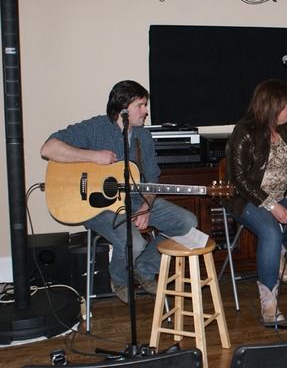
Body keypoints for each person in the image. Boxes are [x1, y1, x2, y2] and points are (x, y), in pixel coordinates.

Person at [40, 80, 198, 303]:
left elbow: (152, 178)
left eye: (145, 105)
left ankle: (144, 268)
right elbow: (48, 148)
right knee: (135, 242)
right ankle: (119, 279)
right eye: (140, 105)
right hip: (96, 207)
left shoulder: (143, 137)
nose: (146, 111)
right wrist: (93, 156)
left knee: (187, 223)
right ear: (123, 109)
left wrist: (146, 207)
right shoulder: (95, 128)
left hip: (135, 199)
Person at [224, 79, 287, 326]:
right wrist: (271, 205)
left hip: (283, 195)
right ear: (272, 105)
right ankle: (269, 304)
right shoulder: (244, 131)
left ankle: (278, 251)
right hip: (248, 198)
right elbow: (238, 178)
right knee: (270, 232)